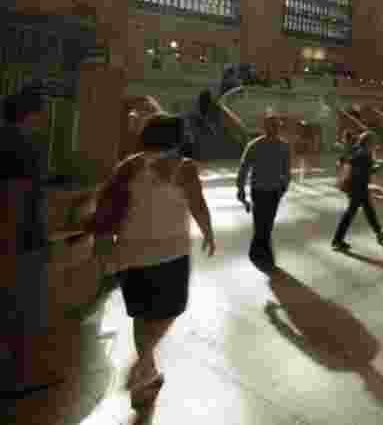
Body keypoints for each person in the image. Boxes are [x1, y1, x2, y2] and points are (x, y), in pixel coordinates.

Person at [86, 114, 216, 408]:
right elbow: (197, 204)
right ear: (176, 137)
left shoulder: (129, 166)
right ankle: (141, 364)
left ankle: (146, 377)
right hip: (170, 255)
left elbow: (106, 205)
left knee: (143, 316)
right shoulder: (182, 168)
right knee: (170, 312)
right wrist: (208, 232)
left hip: (129, 255)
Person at [0, 89, 58, 397]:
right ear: (31, 113)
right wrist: (10, 250)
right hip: (20, 245)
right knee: (22, 313)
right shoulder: (21, 145)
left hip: (15, 243)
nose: (47, 117)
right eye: (43, 110)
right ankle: (18, 380)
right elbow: (14, 198)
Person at [236, 115, 291, 270]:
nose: (274, 128)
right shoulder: (254, 145)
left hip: (274, 190)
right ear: (265, 127)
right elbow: (244, 168)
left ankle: (256, 252)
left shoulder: (283, 146)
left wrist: (284, 187)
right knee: (262, 222)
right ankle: (264, 255)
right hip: (259, 190)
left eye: (276, 126)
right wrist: (240, 188)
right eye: (271, 126)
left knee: (266, 222)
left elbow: (286, 171)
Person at [331, 131, 383, 251]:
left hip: (357, 186)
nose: (375, 144)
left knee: (368, 210)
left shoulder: (357, 149)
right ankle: (337, 240)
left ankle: (379, 233)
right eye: (374, 142)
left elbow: (350, 162)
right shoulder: (364, 153)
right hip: (357, 187)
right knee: (350, 214)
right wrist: (381, 166)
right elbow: (368, 170)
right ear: (369, 142)